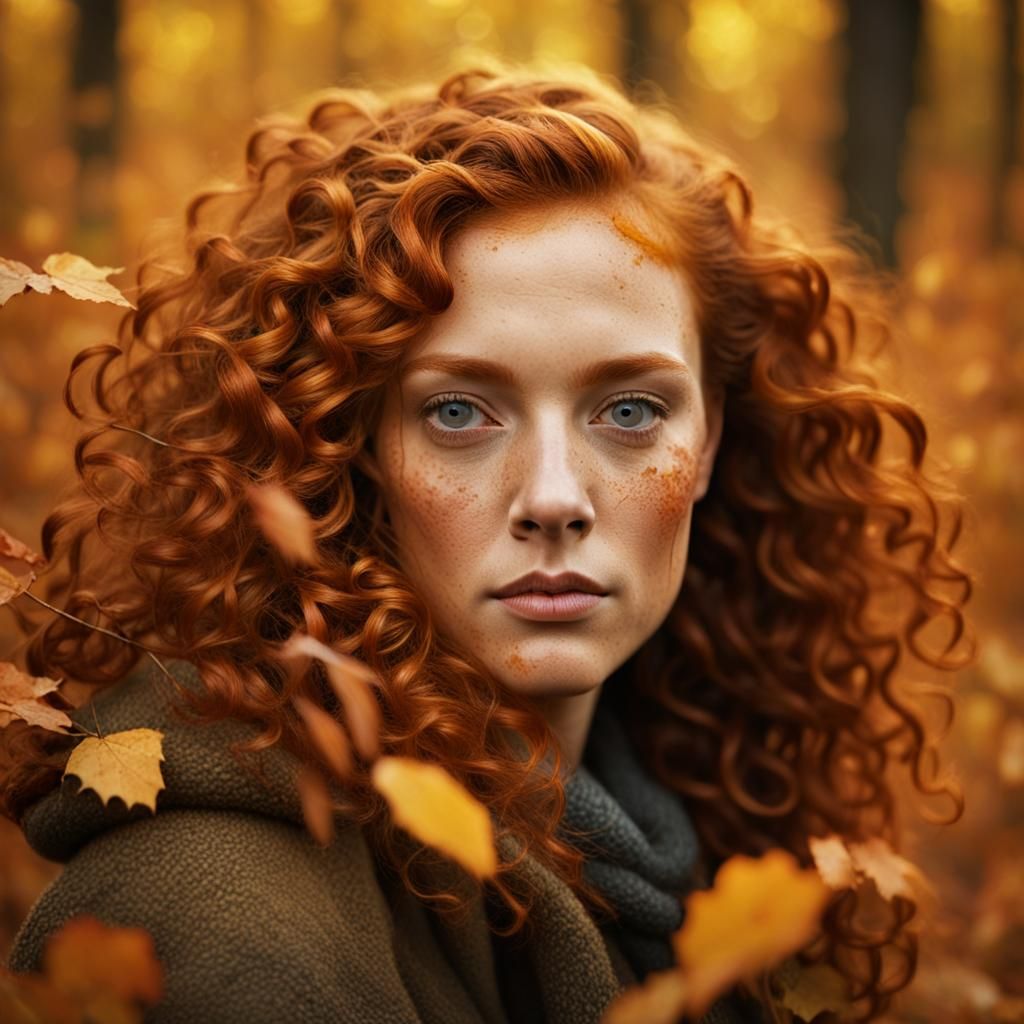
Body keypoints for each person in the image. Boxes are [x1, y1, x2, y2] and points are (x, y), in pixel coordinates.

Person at [0, 58, 974, 1024]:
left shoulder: (703, 838)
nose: (553, 498)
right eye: (460, 411)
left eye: (631, 408)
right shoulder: (218, 931)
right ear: (348, 447)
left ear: (712, 436)